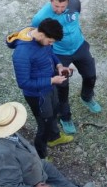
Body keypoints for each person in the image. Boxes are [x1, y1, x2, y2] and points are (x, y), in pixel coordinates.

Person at [31, 0, 101, 136]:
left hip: (79, 46)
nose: (59, 10)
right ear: (51, 1)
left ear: (68, 3)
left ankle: (86, 97)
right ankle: (65, 117)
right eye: (56, 6)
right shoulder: (41, 17)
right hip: (59, 53)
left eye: (63, 7)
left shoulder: (75, 4)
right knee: (62, 87)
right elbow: (37, 37)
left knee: (90, 76)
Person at [8, 18, 73, 158]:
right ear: (42, 34)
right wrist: (51, 80)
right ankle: (41, 156)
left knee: (54, 111)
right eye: (50, 41)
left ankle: (54, 137)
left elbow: (50, 53)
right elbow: (23, 83)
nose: (51, 44)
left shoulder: (41, 39)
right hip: (37, 96)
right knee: (44, 125)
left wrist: (59, 66)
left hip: (50, 86)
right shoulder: (22, 53)